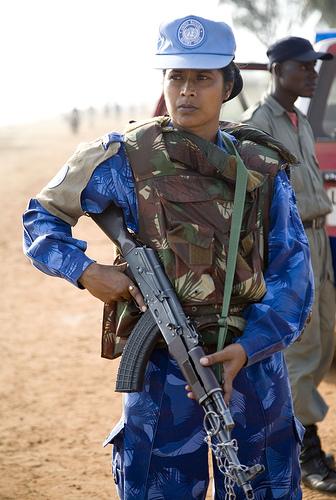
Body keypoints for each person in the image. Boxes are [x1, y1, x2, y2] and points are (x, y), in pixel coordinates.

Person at [23, 16, 313, 499]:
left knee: (263, 487)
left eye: (203, 78)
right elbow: (41, 218)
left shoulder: (260, 165)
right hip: (161, 368)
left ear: (228, 86)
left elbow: (291, 272)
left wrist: (250, 346)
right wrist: (87, 272)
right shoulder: (123, 159)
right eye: (176, 76)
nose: (187, 90)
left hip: (251, 365)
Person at [241, 36, 336, 494]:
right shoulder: (261, 125)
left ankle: (299, 434)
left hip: (319, 243)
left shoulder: (297, 120)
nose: (313, 76)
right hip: (291, 248)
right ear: (277, 70)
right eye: (305, 68)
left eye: (316, 69)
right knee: (299, 349)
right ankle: (304, 449)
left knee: (323, 341)